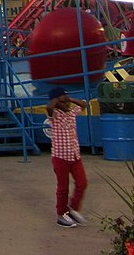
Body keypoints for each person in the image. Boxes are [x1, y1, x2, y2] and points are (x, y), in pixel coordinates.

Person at [47, 85, 87, 228]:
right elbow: (49, 109)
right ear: (57, 102)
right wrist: (56, 101)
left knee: (82, 183)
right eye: (63, 102)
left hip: (75, 156)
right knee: (63, 188)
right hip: (60, 157)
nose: (67, 104)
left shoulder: (72, 112)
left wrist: (69, 99)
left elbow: (84, 105)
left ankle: (72, 210)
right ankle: (61, 215)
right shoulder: (55, 115)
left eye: (67, 101)